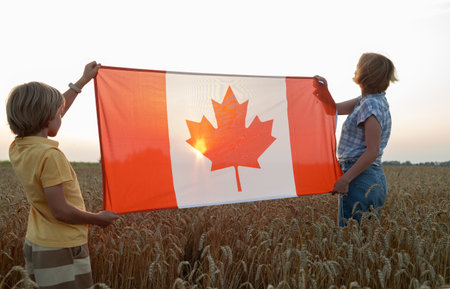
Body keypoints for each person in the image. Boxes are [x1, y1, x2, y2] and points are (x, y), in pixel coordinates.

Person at [6, 61, 119, 289]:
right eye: (59, 113)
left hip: (37, 242)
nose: (62, 115)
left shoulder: (19, 147)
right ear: (47, 119)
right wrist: (98, 219)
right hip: (61, 248)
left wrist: (82, 82)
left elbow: (53, 114)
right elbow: (60, 211)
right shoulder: (51, 156)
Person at [315, 52, 398, 227]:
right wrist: (323, 90)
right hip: (367, 177)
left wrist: (346, 179)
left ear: (363, 75)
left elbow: (372, 151)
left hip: (361, 177)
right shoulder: (367, 100)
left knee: (351, 239)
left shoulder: (370, 104)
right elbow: (333, 109)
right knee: (361, 241)